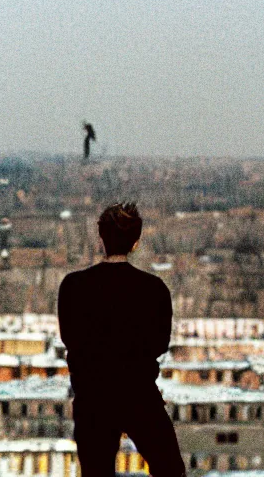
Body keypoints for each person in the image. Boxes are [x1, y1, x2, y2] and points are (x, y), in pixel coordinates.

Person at [57, 202, 186, 477]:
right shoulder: (154, 290)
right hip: (139, 394)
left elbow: (70, 338)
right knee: (170, 470)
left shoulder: (74, 286)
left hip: (92, 396)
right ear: (136, 242)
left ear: (102, 239)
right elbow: (159, 344)